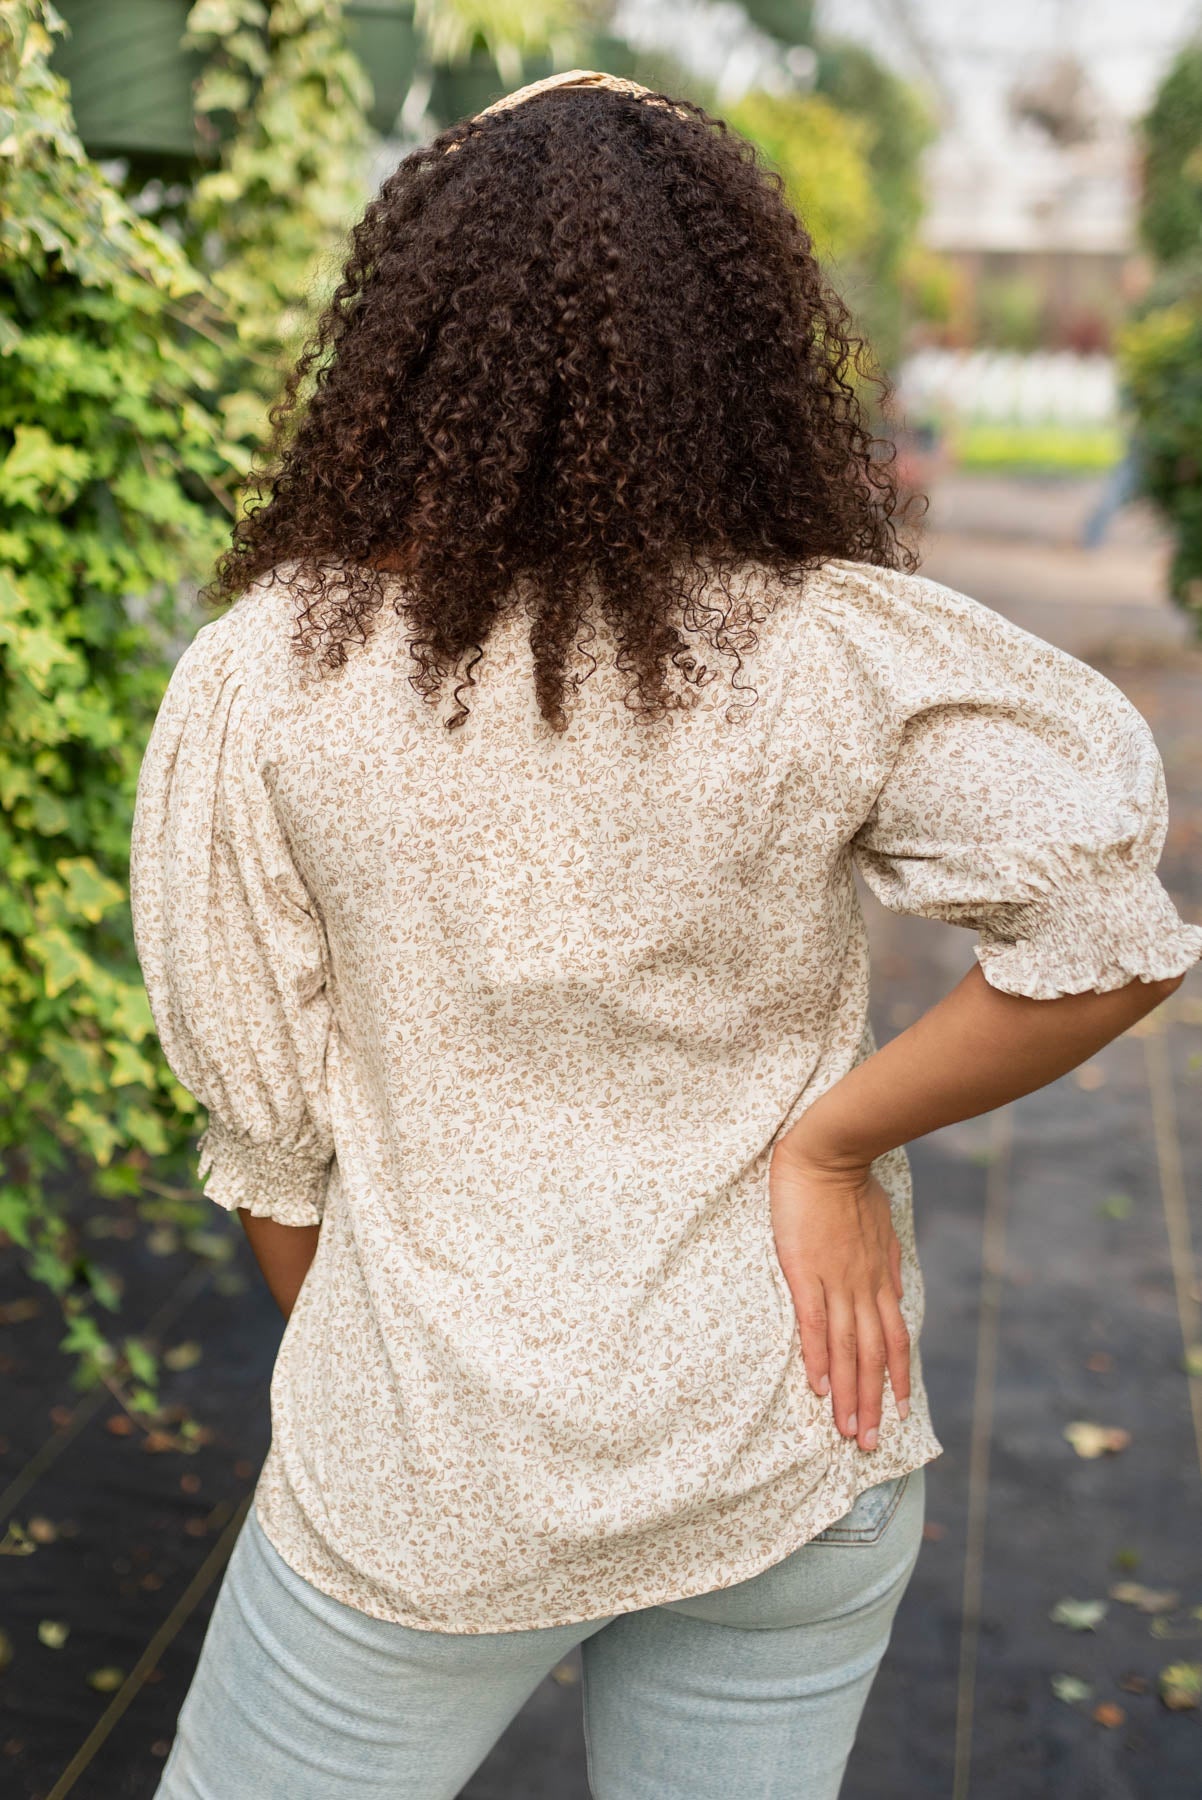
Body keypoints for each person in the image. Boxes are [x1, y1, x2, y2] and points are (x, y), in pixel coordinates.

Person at [129, 70, 1202, 1800]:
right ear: (737, 342)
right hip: (794, 1426)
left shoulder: (271, 677)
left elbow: (271, 1164)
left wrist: (425, 1412)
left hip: (424, 1484)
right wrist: (833, 1147)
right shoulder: (827, 652)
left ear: (403, 335)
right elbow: (1112, 929)